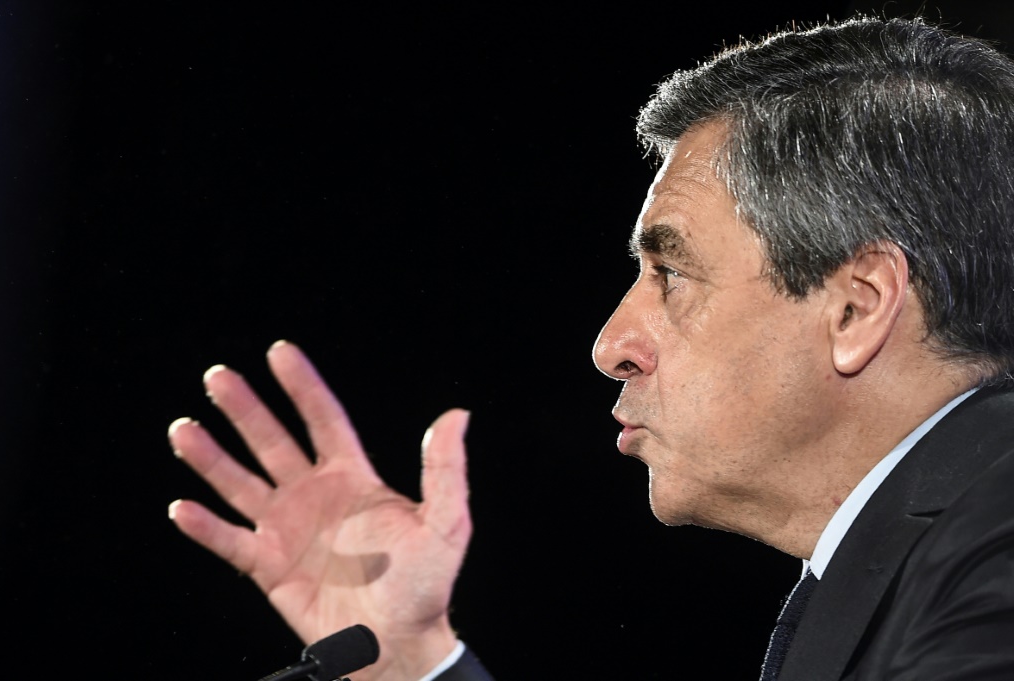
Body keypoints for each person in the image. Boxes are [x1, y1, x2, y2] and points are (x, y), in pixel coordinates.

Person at [168, 16, 1014, 681]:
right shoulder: (928, 547)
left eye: (671, 272)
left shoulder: (995, 541)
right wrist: (412, 658)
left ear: (857, 306)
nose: (613, 344)